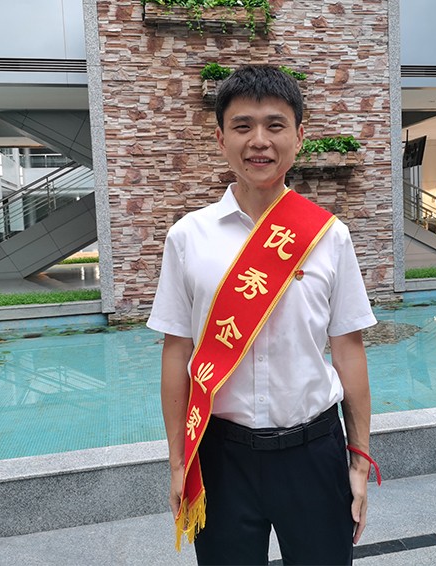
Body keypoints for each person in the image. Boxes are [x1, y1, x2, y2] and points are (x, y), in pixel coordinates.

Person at [147, 65, 379, 565]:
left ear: (299, 135)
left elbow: (348, 349)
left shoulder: (329, 236)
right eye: (242, 126)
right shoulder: (188, 237)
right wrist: (178, 462)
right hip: (220, 456)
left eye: (275, 125)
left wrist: (359, 460)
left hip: (314, 450)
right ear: (220, 138)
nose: (259, 141)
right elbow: (177, 352)